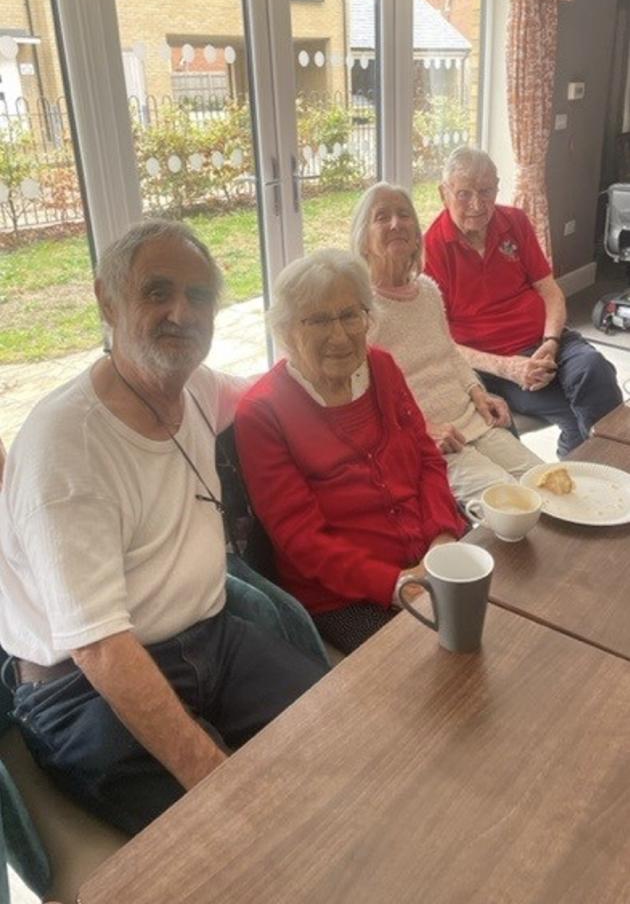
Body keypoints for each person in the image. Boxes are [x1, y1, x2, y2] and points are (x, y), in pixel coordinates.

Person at [0, 221, 328, 835]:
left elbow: (263, 391)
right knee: (231, 835)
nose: (182, 312)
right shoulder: (66, 448)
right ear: (108, 300)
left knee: (335, 736)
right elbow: (98, 647)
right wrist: (215, 780)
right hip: (82, 688)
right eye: (157, 292)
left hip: (209, 641)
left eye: (199, 296)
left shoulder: (195, 388)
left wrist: (324, 344)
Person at [234, 248, 467, 655]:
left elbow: (428, 460)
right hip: (345, 595)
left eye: (349, 315)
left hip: (431, 554)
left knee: (505, 616)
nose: (339, 335)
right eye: (319, 320)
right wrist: (399, 585)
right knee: (432, 667)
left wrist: (442, 538)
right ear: (288, 331)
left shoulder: (383, 367)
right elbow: (301, 539)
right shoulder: (262, 412)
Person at [424, 147, 622, 456]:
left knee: (594, 370)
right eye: (464, 194)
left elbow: (550, 290)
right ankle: (588, 472)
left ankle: (609, 465)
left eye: (486, 191)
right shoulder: (431, 250)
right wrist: (508, 368)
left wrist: (552, 340)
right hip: (496, 365)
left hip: (549, 342)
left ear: (497, 187)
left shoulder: (514, 221)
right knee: (575, 412)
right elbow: (439, 342)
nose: (477, 205)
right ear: (443, 193)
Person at [350, 182, 541, 501]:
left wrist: (477, 390)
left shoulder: (427, 291)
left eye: (403, 215)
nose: (396, 223)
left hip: (471, 418)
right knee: (510, 506)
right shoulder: (359, 308)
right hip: (429, 439)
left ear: (415, 236)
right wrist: (418, 432)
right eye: (381, 217)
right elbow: (359, 396)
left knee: (543, 481)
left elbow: (449, 353)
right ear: (363, 240)